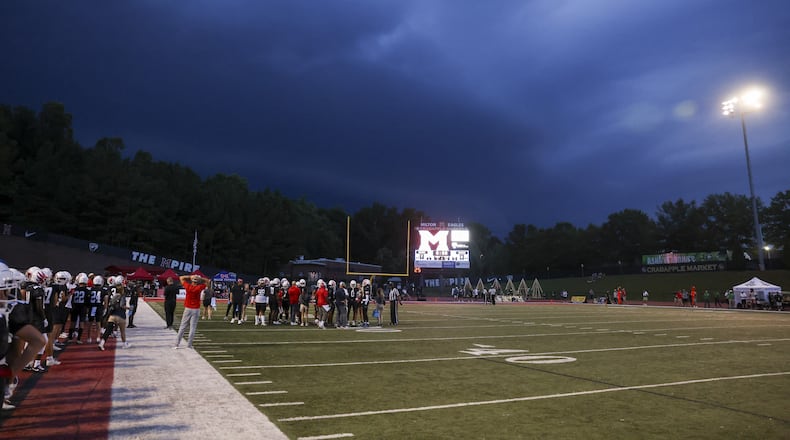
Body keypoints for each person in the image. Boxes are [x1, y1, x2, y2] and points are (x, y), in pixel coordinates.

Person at [174, 274, 209, 349]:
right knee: (192, 328)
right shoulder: (199, 287)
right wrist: (199, 278)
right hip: (196, 309)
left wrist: (190, 277)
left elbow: (181, 277)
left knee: (182, 326)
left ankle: (177, 344)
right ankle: (189, 345)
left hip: (188, 308)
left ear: (192, 281)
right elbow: (207, 281)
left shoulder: (188, 286)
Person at [98, 277, 131, 350]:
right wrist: (129, 308)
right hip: (121, 315)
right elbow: (122, 305)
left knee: (108, 331)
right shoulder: (122, 295)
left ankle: (102, 343)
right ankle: (124, 343)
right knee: (122, 332)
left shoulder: (114, 296)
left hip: (112, 315)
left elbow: (110, 303)